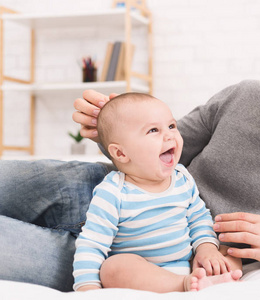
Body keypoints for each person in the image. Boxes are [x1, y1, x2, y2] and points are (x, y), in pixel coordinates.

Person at [0, 9, 260, 292]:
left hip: (150, 264)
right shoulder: (243, 96)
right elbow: (166, 148)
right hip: (100, 192)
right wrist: (110, 132)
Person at [73, 92, 242, 292]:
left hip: (187, 264)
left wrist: (206, 249)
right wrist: (87, 288)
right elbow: (92, 243)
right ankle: (184, 285)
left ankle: (211, 279)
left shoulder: (182, 178)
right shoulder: (113, 192)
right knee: (112, 268)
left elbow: (199, 218)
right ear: (120, 153)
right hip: (143, 274)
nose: (169, 134)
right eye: (153, 130)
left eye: (171, 126)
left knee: (230, 249)